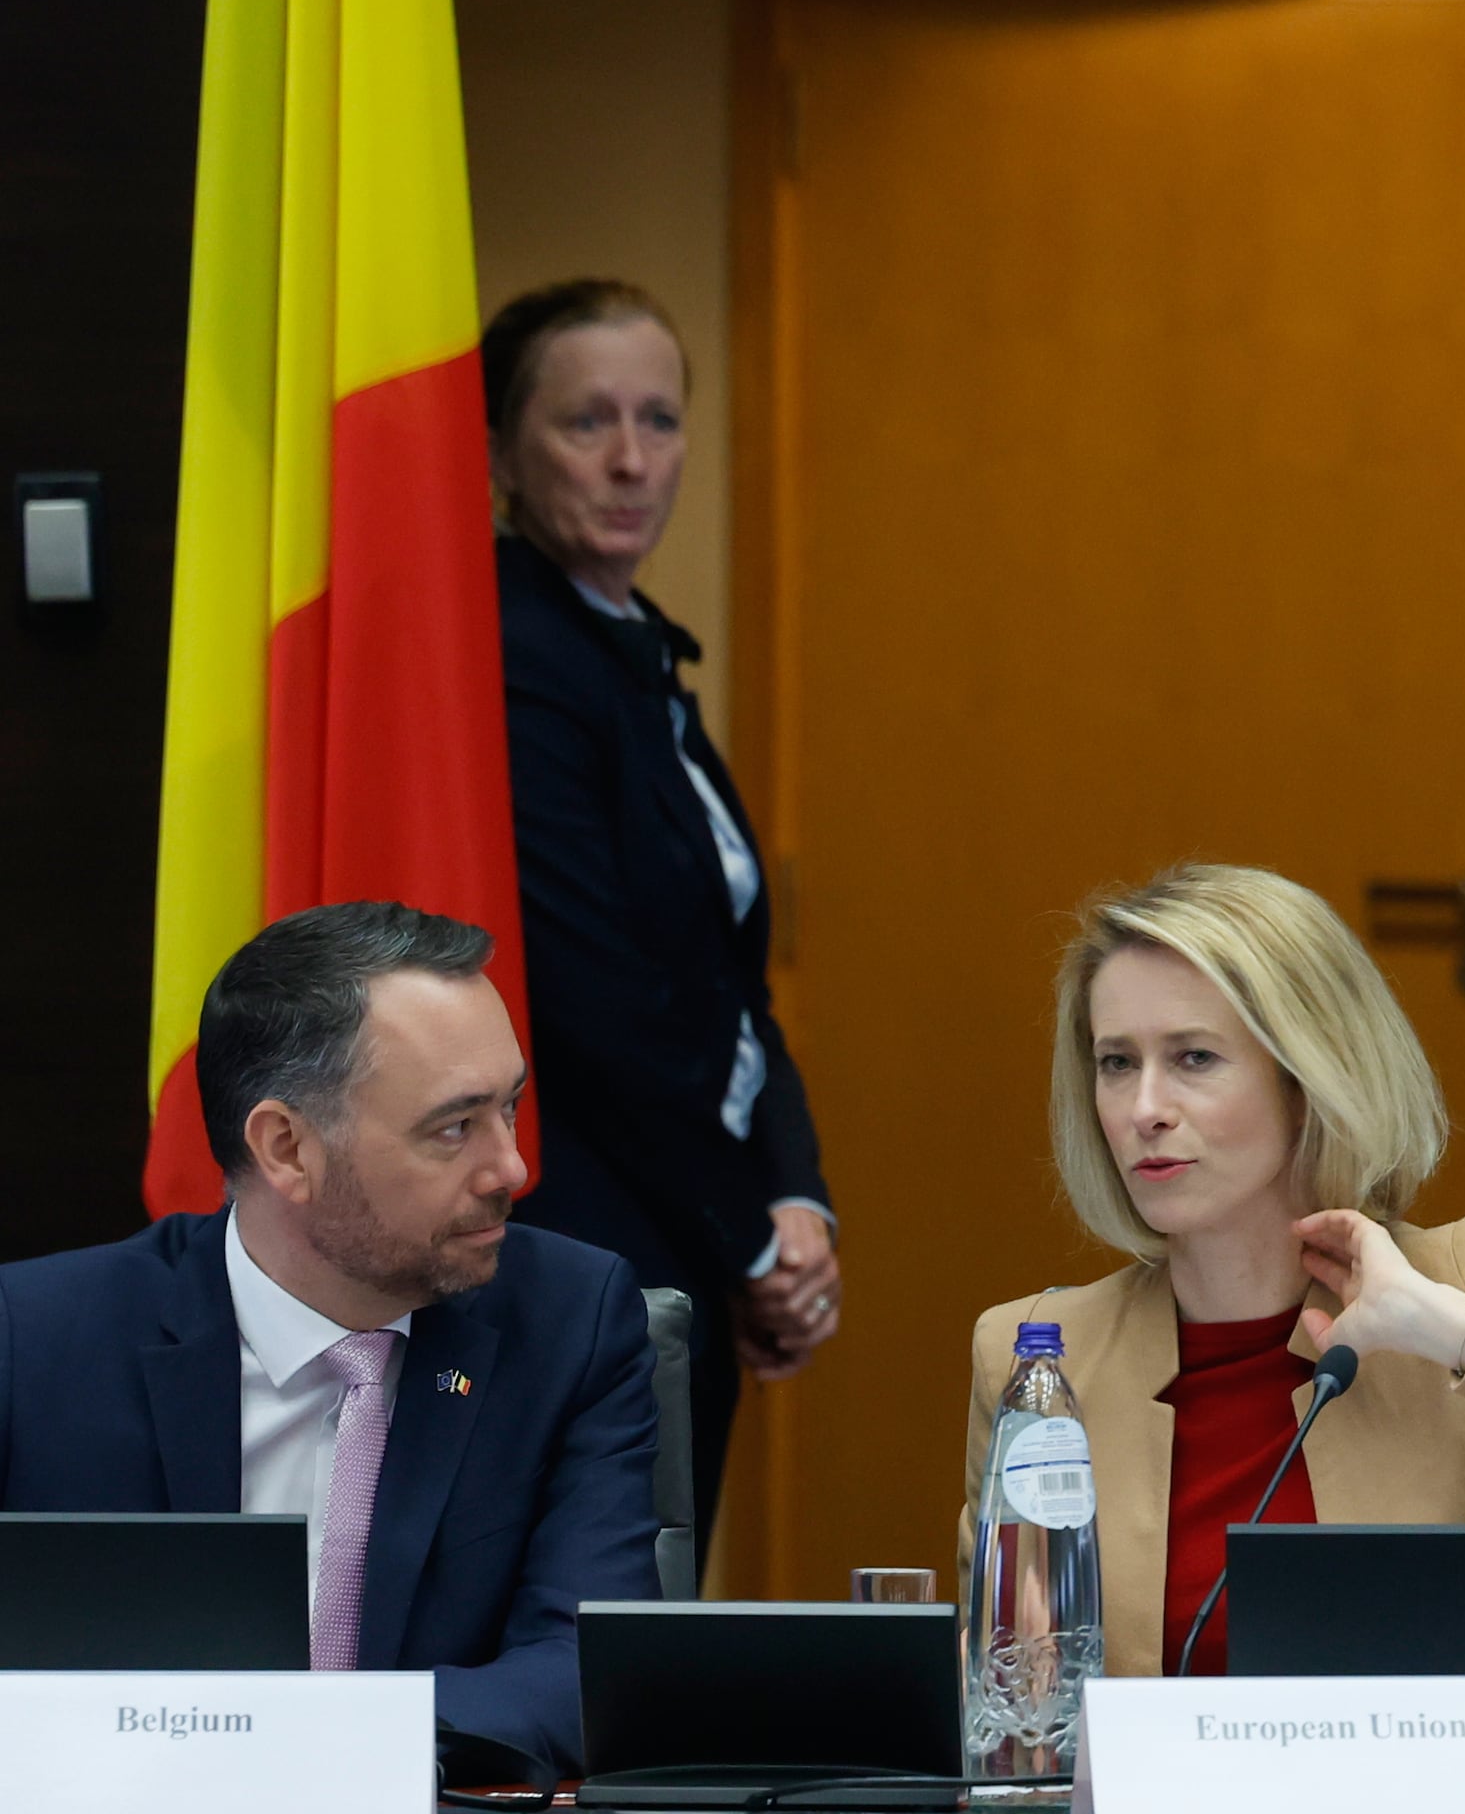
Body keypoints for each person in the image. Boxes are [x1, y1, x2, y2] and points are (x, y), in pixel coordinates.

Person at [963, 863, 1465, 1678]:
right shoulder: (1037, 1357)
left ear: (1309, 1078)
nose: (1144, 1109)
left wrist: (1444, 1326)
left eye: (1194, 1058)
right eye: (1116, 1063)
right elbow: (1002, 1697)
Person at [0, 904, 660, 1779]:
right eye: (455, 1127)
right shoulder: (35, 1340)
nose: (511, 1168)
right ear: (287, 1149)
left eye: (511, 1108)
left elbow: (581, 1669)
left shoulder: (571, 1322)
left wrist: (294, 1749)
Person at [486, 278, 839, 1554]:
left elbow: (727, 979)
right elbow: (598, 1013)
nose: (634, 460)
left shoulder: (638, 653)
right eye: (587, 423)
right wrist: (750, 1244)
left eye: (661, 419)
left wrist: (798, 1203)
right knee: (604, 1639)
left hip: (688, 1220)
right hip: (590, 1237)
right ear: (500, 451)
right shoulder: (516, 655)